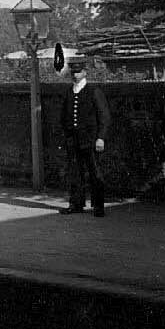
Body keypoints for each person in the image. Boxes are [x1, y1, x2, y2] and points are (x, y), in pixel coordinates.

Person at [59, 60, 110, 217]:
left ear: (85, 73)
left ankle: (98, 206)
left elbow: (104, 116)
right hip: (73, 141)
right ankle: (76, 204)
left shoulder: (94, 91)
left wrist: (100, 137)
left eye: (78, 72)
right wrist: (67, 135)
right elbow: (64, 116)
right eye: (73, 73)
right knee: (75, 173)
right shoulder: (69, 92)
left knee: (95, 173)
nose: (75, 75)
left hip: (90, 140)